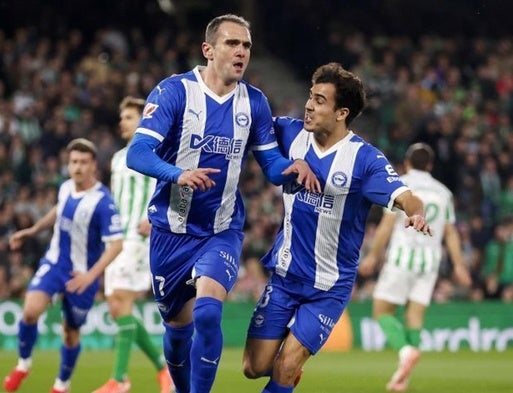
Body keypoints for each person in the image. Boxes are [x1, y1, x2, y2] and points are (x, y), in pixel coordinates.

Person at [126, 14, 319, 393]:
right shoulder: (174, 92)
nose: (241, 52)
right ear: (208, 50)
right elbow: (138, 153)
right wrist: (177, 174)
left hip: (221, 230)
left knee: (209, 312)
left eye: (246, 45)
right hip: (171, 230)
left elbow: (270, 164)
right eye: (233, 43)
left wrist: (291, 168)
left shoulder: (255, 103)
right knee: (177, 333)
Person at [241, 62, 432, 393]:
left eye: (319, 100)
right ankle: (288, 355)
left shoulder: (364, 160)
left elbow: (406, 196)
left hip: (328, 287)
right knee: (253, 367)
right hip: (285, 277)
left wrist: (416, 213)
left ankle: (292, 362)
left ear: (341, 112)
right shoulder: (290, 133)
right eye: (310, 96)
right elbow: (249, 127)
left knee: (285, 367)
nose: (309, 105)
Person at [2, 138, 123, 393]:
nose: (77, 167)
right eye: (74, 162)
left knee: (70, 332)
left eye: (83, 162)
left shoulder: (103, 202)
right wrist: (33, 230)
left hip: (82, 275)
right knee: (30, 311)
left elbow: (116, 245)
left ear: (94, 167)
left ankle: (62, 384)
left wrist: (90, 277)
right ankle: (23, 364)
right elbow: (59, 210)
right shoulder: (66, 187)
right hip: (56, 262)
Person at [359, 142, 472, 392]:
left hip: (402, 257)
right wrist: (459, 265)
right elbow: (451, 233)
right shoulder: (444, 193)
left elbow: (388, 226)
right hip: (430, 262)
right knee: (415, 315)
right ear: (430, 166)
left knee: (381, 311)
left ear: (407, 163)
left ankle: (405, 350)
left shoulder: (400, 184)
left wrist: (372, 256)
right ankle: (403, 376)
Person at [93, 97, 173, 393]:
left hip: (139, 237)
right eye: (122, 116)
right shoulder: (116, 158)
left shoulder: (154, 152)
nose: (122, 122)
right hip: (116, 239)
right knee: (116, 308)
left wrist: (156, 217)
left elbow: (168, 187)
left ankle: (120, 379)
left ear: (143, 120)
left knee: (121, 302)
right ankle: (164, 369)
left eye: (128, 117)